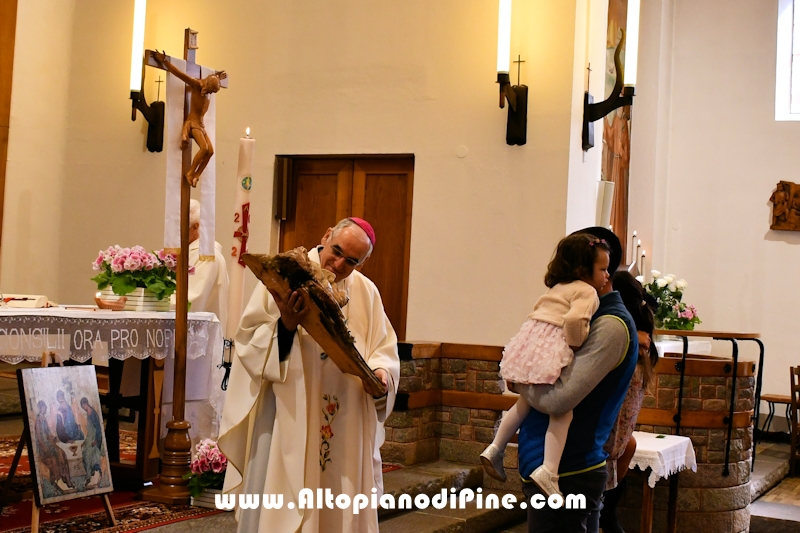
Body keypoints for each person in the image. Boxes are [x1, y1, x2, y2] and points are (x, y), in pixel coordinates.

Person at [218, 217, 400, 533]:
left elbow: (383, 348)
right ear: (326, 236)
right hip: (288, 412)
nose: (339, 265)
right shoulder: (285, 274)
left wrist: (382, 373)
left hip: (346, 420)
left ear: (362, 263)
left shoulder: (366, 291)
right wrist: (286, 326)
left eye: (351, 261)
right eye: (337, 251)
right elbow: (249, 340)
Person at [515, 226, 638, 533]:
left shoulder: (610, 325)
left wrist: (519, 379)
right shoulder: (585, 314)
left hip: (571, 469)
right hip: (552, 465)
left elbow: (560, 399)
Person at [480, 233, 612, 497]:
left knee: (524, 403)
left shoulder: (556, 288)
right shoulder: (586, 291)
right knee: (562, 412)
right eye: (603, 269)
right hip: (550, 348)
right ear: (583, 269)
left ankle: (495, 447)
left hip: (529, 345)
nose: (607, 276)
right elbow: (575, 321)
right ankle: (549, 470)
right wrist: (576, 344)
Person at [599, 271, 659, 533]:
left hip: (607, 431)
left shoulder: (625, 336)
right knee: (629, 446)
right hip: (619, 436)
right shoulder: (641, 338)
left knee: (599, 507)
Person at [152, 51, 226, 186]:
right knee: (204, 148)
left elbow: (214, 80)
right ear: (207, 85)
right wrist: (165, 61)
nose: (210, 93)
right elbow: (180, 74)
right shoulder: (196, 85)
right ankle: (190, 173)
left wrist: (218, 78)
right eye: (211, 90)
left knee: (210, 151)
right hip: (193, 123)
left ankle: (197, 174)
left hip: (201, 125)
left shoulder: (208, 87)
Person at [170, 199, 230, 330]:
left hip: (198, 335)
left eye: (178, 227)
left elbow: (191, 301)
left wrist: (151, 303)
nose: (173, 233)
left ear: (195, 227)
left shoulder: (205, 256)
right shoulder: (187, 253)